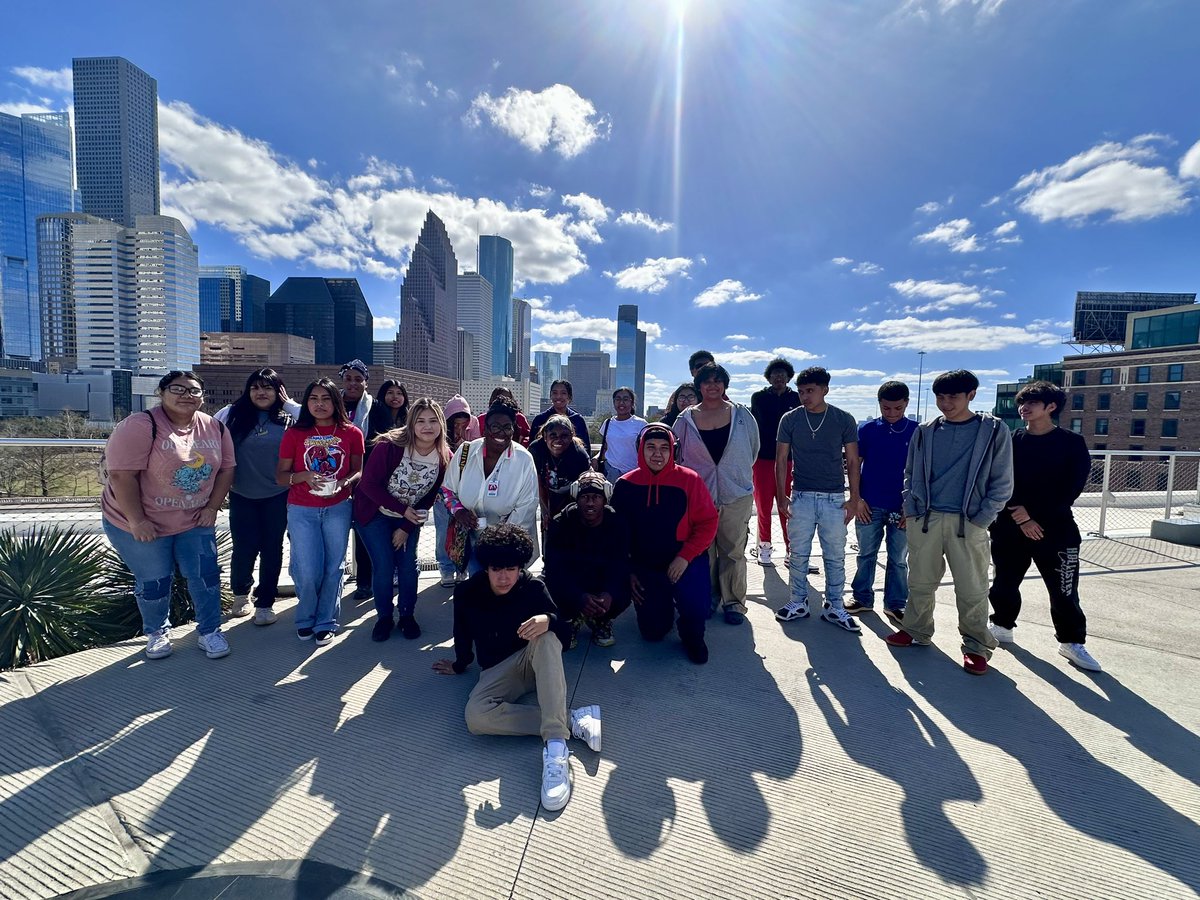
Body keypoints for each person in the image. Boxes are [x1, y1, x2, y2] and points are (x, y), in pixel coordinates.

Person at [432, 524, 602, 813]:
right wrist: (460, 664)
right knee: (476, 718)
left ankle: (557, 749)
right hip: (496, 670)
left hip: (534, 661)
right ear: (485, 567)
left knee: (546, 637)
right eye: (496, 568)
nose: (503, 576)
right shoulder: (467, 593)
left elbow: (562, 632)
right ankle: (571, 720)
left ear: (520, 566)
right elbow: (461, 633)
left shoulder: (533, 587)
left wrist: (548, 620)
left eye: (511, 568)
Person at [886, 369, 1013, 677]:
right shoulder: (926, 431)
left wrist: (981, 519)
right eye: (940, 397)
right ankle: (916, 630)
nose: (946, 403)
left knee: (972, 588)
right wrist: (912, 509)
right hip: (926, 519)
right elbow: (910, 473)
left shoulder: (993, 430)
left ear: (971, 395)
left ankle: (976, 646)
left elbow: (1002, 481)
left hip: (967, 522)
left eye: (953, 397)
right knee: (920, 581)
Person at [101, 371, 236, 660]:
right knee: (155, 580)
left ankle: (211, 631)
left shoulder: (214, 427)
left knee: (206, 576)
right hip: (138, 520)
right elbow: (120, 476)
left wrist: (212, 507)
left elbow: (227, 469)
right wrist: (137, 520)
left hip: (194, 518)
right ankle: (157, 632)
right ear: (161, 392)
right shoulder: (140, 425)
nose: (187, 395)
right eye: (178, 389)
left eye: (194, 391)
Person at [987, 381, 1100, 672]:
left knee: (1064, 589)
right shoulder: (1012, 440)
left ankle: (1072, 642)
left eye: (1032, 402)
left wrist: (1033, 515)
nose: (1024, 407)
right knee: (1004, 582)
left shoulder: (1072, 443)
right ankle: (1001, 625)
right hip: (1010, 525)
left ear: (1051, 407)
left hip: (1057, 528)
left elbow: (1071, 488)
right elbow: (999, 480)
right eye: (1022, 402)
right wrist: (1022, 517)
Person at [611, 424, 719, 664]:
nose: (657, 454)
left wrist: (685, 556)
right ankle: (662, 611)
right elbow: (616, 535)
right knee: (653, 632)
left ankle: (692, 631)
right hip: (646, 564)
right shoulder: (625, 484)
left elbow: (708, 522)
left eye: (664, 448)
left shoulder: (690, 480)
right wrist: (629, 571)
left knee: (696, 607)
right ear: (640, 449)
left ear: (673, 451)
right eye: (650, 447)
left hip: (684, 560)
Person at [773, 367, 862, 634]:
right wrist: (781, 496)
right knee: (798, 554)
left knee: (835, 555)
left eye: (810, 391)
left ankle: (835, 605)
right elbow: (780, 461)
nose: (805, 396)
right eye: (801, 391)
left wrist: (854, 498)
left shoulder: (843, 419)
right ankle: (798, 601)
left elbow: (853, 460)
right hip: (800, 495)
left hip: (834, 497)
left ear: (825, 389)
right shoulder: (790, 419)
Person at [276, 378, 364, 646]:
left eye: (326, 399)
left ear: (336, 402)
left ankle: (326, 621)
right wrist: (302, 476)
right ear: (307, 403)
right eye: (313, 398)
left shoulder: (352, 433)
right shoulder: (294, 434)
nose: (319, 404)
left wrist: (345, 483)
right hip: (302, 509)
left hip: (338, 507)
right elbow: (280, 476)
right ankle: (305, 618)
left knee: (333, 567)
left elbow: (358, 470)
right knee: (308, 570)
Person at [672, 363, 759, 626]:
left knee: (733, 550)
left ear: (725, 384)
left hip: (736, 493)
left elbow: (753, 449)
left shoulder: (742, 415)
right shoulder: (685, 419)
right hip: (699, 496)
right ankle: (708, 596)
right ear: (698, 385)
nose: (713, 386)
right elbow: (677, 456)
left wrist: (734, 474)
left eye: (717, 381)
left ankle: (734, 602)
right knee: (703, 551)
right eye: (707, 381)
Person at [355, 397, 449, 642]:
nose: (427, 427)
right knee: (384, 566)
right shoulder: (390, 445)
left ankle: (407, 615)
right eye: (420, 421)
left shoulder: (443, 456)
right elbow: (368, 484)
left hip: (409, 517)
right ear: (411, 424)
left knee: (408, 566)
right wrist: (400, 509)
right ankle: (384, 617)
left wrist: (406, 526)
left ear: (441, 424)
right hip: (375, 513)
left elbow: (429, 495)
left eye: (432, 421)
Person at [213, 368, 294, 626]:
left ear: (278, 391)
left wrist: (290, 403)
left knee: (272, 548)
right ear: (248, 391)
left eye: (268, 388)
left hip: (278, 495)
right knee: (244, 548)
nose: (261, 392)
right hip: (242, 494)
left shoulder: (288, 419)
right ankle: (241, 595)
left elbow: (312, 419)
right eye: (256, 387)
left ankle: (266, 601)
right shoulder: (232, 416)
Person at [845, 381, 918, 621]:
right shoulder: (867, 429)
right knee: (866, 554)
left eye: (898, 408)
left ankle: (896, 603)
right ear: (879, 405)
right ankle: (862, 598)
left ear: (906, 403)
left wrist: (911, 507)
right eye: (887, 408)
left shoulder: (918, 431)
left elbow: (922, 473)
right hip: (869, 504)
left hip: (902, 506)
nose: (892, 413)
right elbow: (854, 465)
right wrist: (857, 499)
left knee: (898, 559)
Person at [442, 397, 540, 574]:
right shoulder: (465, 452)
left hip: (507, 545)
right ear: (485, 428)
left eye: (507, 427)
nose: (501, 433)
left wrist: (499, 541)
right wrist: (460, 512)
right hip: (470, 540)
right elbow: (447, 490)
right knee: (477, 587)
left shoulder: (524, 460)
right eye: (495, 426)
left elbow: (527, 507)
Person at [543, 472, 631, 649]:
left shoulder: (617, 523)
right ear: (576, 499)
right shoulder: (560, 523)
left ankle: (602, 620)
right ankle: (572, 618)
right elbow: (554, 569)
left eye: (596, 497)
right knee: (548, 585)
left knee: (627, 585)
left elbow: (621, 565)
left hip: (601, 583)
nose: (590, 503)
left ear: (605, 500)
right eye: (584, 497)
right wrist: (578, 597)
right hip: (574, 583)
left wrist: (609, 594)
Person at [749, 357, 800, 567]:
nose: (778, 377)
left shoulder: (797, 398)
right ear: (768, 377)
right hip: (762, 458)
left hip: (788, 460)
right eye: (774, 374)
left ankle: (792, 550)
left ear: (789, 377)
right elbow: (754, 425)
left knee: (787, 505)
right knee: (763, 504)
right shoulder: (759, 397)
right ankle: (765, 547)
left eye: (783, 374)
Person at [340, 359, 375, 601]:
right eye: (348, 378)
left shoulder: (374, 407)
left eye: (358, 379)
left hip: (366, 479)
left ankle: (365, 582)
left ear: (365, 382)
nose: (353, 383)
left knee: (363, 534)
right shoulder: (331, 405)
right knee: (335, 534)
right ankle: (334, 582)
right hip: (334, 476)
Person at [529, 413, 592, 539]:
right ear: (545, 437)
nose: (558, 440)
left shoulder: (579, 455)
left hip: (571, 496)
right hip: (546, 493)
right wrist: (546, 512)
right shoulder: (536, 449)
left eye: (564, 436)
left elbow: (584, 487)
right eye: (553, 435)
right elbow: (537, 482)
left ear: (571, 437)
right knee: (548, 528)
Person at [435, 395, 472, 587]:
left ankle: (461, 568)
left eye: (463, 423)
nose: (459, 427)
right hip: (442, 493)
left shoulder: (471, 435)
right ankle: (445, 567)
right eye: (455, 423)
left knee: (463, 532)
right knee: (443, 532)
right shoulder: (438, 436)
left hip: (464, 492)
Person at [596, 387, 646, 482]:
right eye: (618, 399)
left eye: (626, 399)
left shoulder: (641, 424)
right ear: (614, 402)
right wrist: (595, 458)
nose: (621, 403)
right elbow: (605, 448)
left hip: (634, 473)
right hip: (611, 472)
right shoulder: (608, 423)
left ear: (632, 403)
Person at [528, 380, 591, 453]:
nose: (558, 396)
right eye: (555, 393)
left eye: (563, 393)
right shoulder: (540, 419)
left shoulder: (577, 419)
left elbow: (586, 449)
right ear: (550, 396)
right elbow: (533, 448)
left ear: (569, 396)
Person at [467, 387, 533, 446]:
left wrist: (521, 443)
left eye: (508, 397)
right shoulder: (481, 418)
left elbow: (529, 436)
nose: (504, 400)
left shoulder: (519, 417)